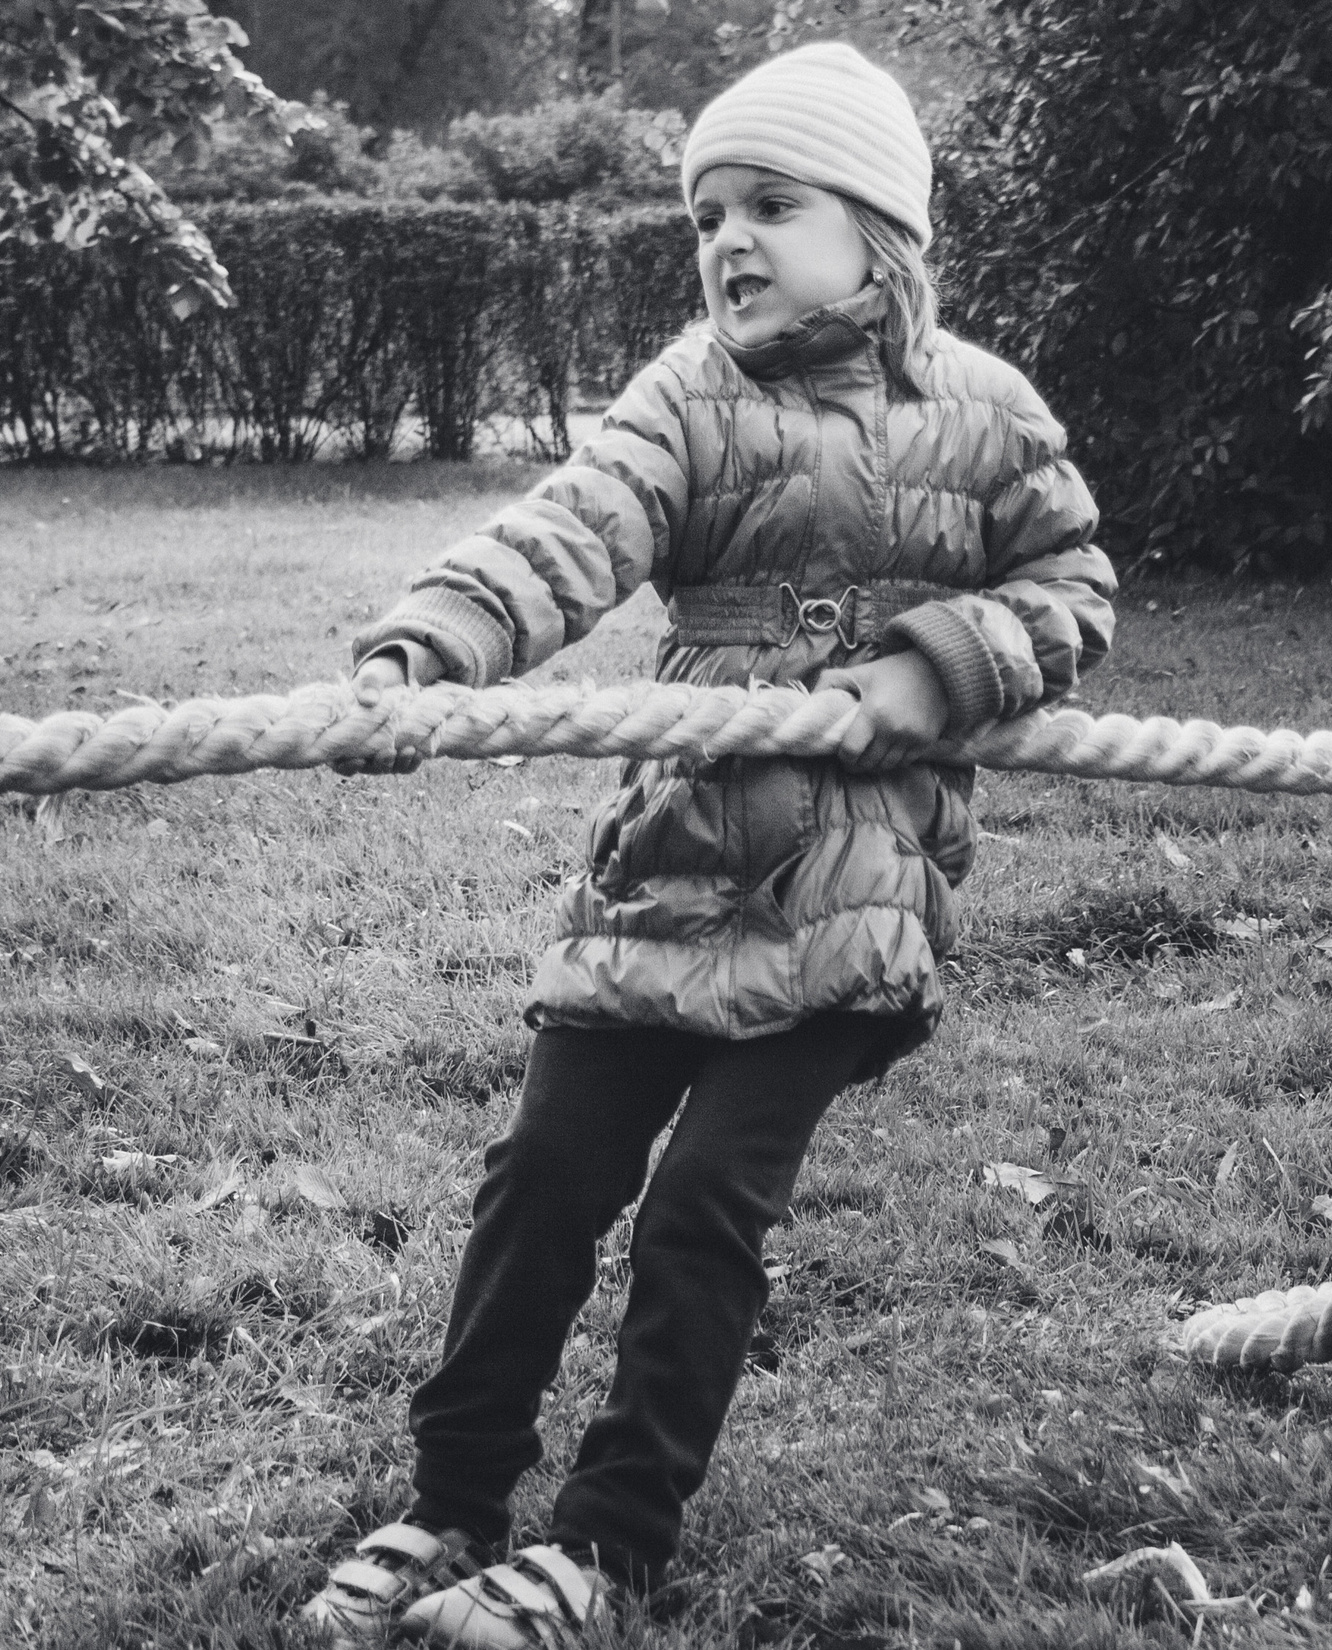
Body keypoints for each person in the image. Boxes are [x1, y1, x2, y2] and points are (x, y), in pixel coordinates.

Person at [298, 42, 1115, 1649]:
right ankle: (453, 1497)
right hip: (667, 863)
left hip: (856, 889)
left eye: (770, 204)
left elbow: (1072, 591)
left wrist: (938, 663)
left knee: (703, 1203)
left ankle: (607, 1542)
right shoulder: (689, 395)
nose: (729, 238)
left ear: (879, 227)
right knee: (544, 1174)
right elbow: (567, 530)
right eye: (706, 214)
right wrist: (425, 648)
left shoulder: (989, 413)